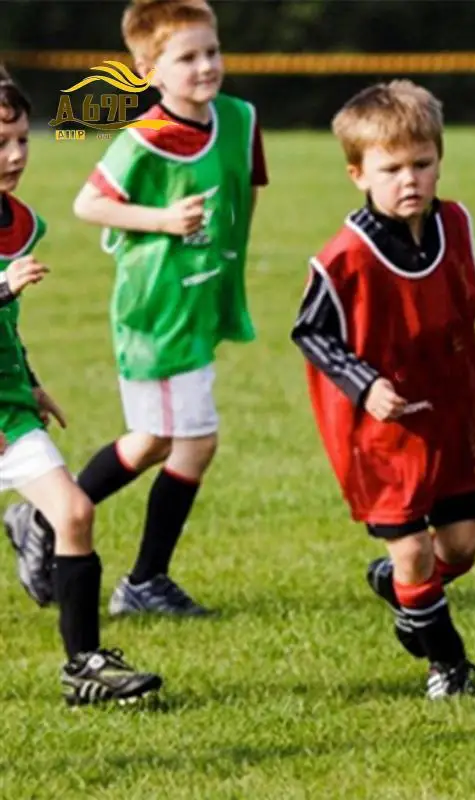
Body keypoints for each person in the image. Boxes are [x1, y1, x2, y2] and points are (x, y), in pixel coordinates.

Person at [4, 0, 268, 617]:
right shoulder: (143, 137)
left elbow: (242, 193)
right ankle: (131, 572)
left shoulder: (239, 118)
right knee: (185, 442)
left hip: (201, 298)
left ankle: (57, 527)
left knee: (159, 442)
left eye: (212, 52)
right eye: (187, 57)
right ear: (148, 69)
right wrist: (163, 220)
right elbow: (90, 204)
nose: (205, 66)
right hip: (155, 309)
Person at [291, 80, 475, 699]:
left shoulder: (455, 223)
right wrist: (365, 383)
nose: (409, 179)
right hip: (380, 430)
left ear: (440, 160)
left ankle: (403, 590)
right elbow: (310, 332)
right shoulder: (344, 257)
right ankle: (450, 668)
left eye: (422, 164)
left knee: (460, 546)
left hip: (446, 413)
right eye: (391, 169)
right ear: (358, 173)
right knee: (415, 553)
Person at [0, 68, 162, 705]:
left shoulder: (17, 224)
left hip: (7, 411)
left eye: (21, 140)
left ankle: (84, 665)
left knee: (73, 512)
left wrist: (30, 382)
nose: (14, 156)